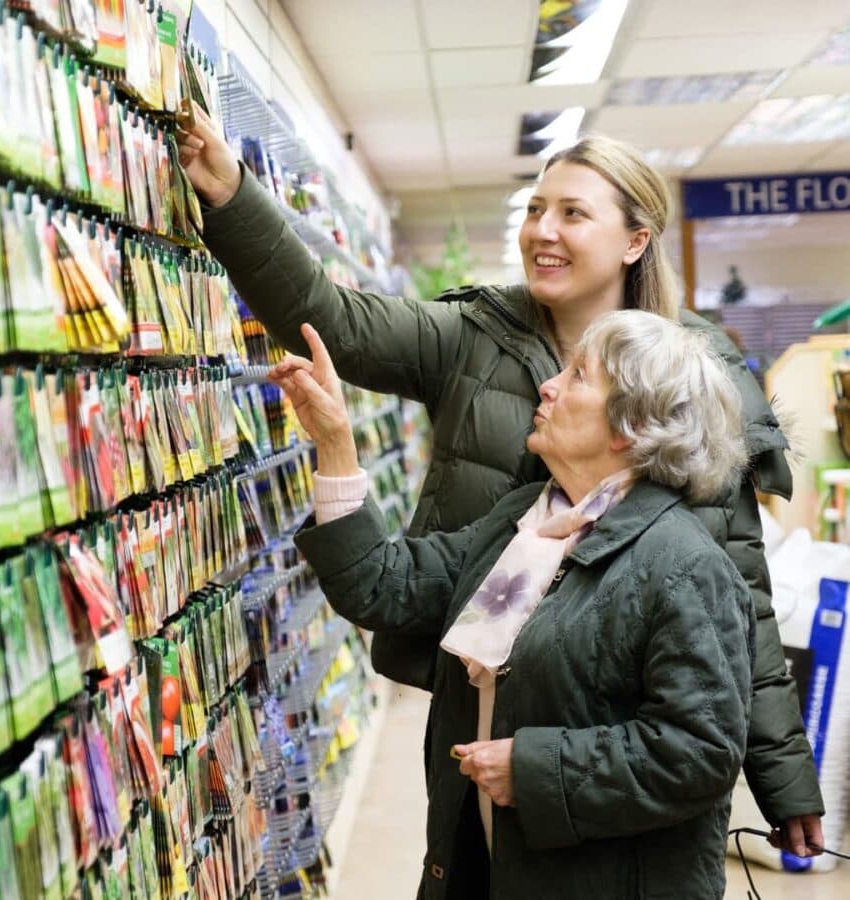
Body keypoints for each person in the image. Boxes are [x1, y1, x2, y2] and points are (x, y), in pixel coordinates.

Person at [177, 110, 825, 852]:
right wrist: (232, 197)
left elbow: (741, 589)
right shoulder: (475, 335)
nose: (542, 231)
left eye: (573, 213)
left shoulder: (695, 377)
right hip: (480, 706)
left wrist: (782, 772)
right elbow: (334, 322)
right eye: (536, 209)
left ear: (636, 240)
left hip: (618, 722)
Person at [272, 312, 753, 899]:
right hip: (488, 865)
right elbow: (385, 583)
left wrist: (533, 770)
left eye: (578, 376)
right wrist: (335, 444)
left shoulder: (683, 566)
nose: (549, 384)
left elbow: (699, 752)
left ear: (629, 424)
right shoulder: (524, 520)